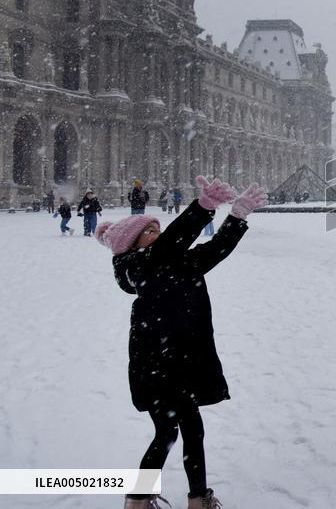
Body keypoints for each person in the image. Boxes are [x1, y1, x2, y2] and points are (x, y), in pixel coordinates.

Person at [99, 176, 268, 509]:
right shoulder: (138, 266)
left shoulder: (175, 261)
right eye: (149, 231)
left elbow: (214, 251)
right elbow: (170, 244)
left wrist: (237, 216)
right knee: (183, 430)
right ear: (132, 244)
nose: (158, 233)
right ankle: (195, 499)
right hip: (159, 364)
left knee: (174, 432)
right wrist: (203, 208)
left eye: (157, 229)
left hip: (182, 360)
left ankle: (141, 499)